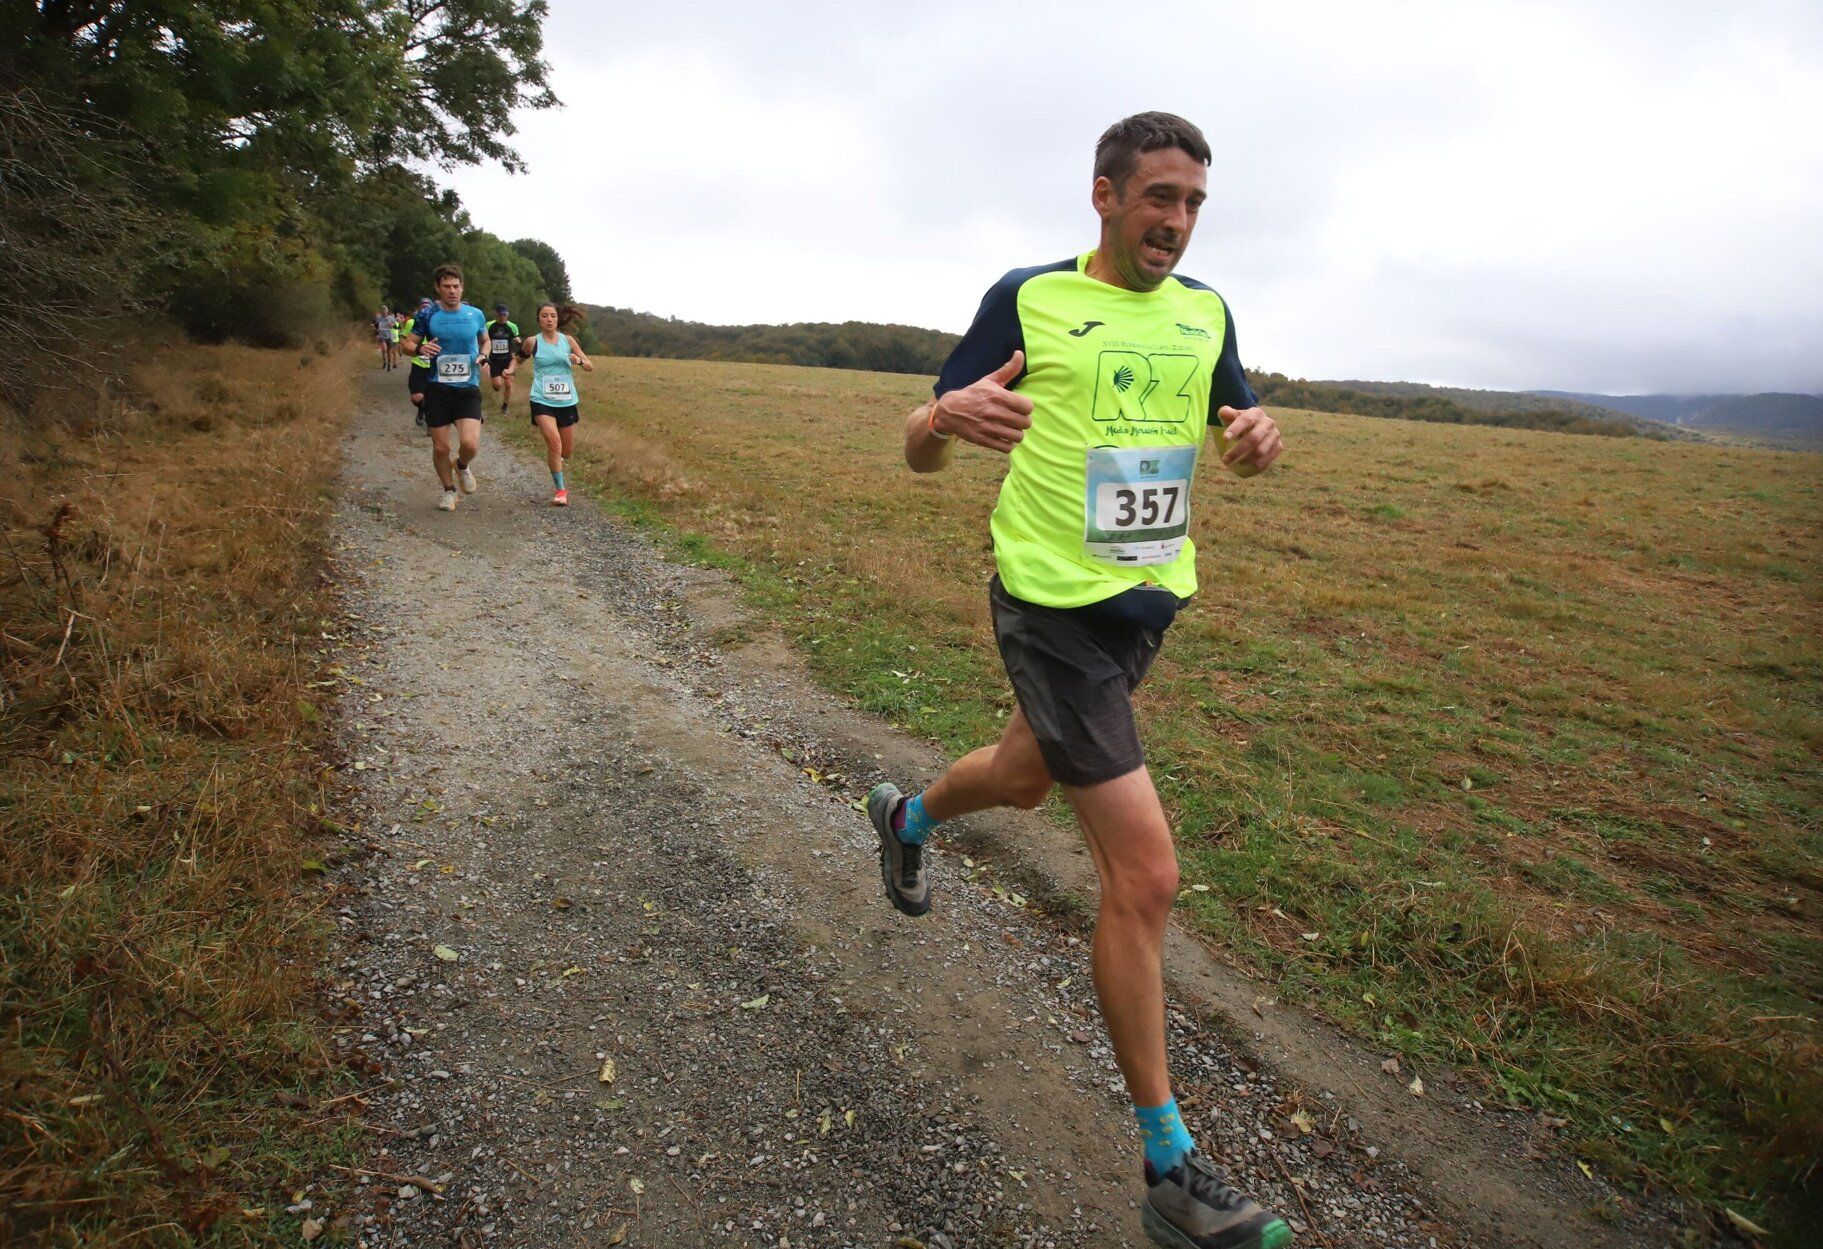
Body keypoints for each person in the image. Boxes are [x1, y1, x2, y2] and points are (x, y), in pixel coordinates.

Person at [865, 113, 1290, 1249]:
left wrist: (1256, 439)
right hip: (1048, 604)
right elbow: (921, 444)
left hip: (1146, 606)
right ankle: (1168, 1166)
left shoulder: (1205, 311)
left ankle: (905, 818)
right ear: (1103, 195)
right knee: (1144, 874)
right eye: (1159, 198)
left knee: (1019, 778)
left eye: (1193, 203)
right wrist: (939, 417)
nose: (1177, 222)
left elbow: (1234, 423)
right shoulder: (1028, 297)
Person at [400, 266, 491, 511]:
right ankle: (449, 491)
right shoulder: (427, 315)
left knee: (470, 444)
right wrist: (419, 349)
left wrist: (484, 355)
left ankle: (461, 465)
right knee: (441, 447)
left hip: (468, 387)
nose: (452, 291)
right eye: (447, 286)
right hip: (437, 388)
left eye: (456, 286)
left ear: (462, 287)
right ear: (438, 288)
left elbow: (485, 340)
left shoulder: (475, 314)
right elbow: (406, 345)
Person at [520, 303, 593, 506]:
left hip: (566, 401)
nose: (549, 319)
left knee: (566, 451)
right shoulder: (532, 341)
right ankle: (561, 491)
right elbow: (519, 358)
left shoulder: (568, 340)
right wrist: (509, 369)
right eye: (544, 316)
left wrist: (579, 361)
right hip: (541, 399)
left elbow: (589, 366)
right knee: (554, 443)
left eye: (552, 315)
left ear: (558, 319)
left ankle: (557, 460)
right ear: (538, 320)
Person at [403, 301, 434, 431]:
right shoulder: (412, 322)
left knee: (434, 397)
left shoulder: (438, 321)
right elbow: (405, 342)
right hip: (418, 363)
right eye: (422, 306)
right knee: (416, 397)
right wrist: (417, 349)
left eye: (427, 306)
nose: (425, 309)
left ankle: (431, 423)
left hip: (434, 365)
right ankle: (422, 409)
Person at [485, 303, 520, 414]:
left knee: (509, 384)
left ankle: (505, 406)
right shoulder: (489, 325)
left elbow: (516, 337)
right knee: (497, 385)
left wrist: (518, 341)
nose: (503, 317)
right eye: (500, 315)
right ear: (496, 314)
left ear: (507, 314)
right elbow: (484, 339)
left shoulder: (512, 326)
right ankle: (495, 386)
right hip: (494, 359)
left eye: (505, 315)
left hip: (507, 359)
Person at [373, 305, 395, 370]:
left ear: (387, 311)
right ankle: (384, 362)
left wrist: (392, 325)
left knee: (389, 352)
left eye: (385, 310)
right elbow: (375, 324)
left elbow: (396, 326)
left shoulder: (391, 318)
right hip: (382, 336)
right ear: (381, 311)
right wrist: (376, 328)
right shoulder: (379, 318)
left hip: (389, 336)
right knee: (384, 349)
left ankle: (388, 364)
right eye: (382, 310)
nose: (384, 311)